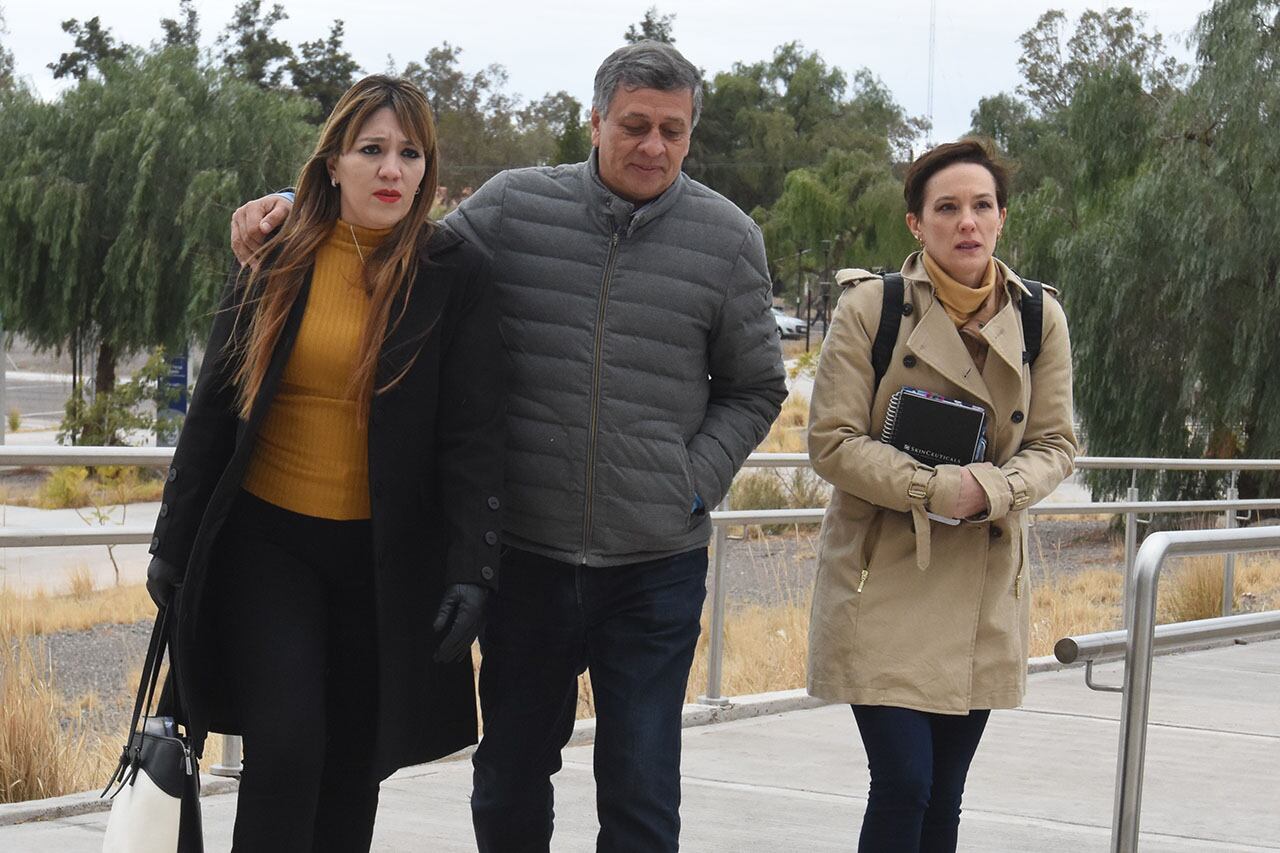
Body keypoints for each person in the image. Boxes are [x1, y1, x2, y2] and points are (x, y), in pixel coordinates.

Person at [231, 40, 786, 853]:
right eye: (634, 125)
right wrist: (291, 201)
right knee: (511, 775)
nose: (653, 146)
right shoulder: (513, 206)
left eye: (673, 131)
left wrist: (692, 482)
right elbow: (397, 230)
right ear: (595, 121)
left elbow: (756, 386)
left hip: (655, 568)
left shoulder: (728, 239)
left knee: (640, 783)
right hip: (527, 560)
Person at [146, 75, 504, 852]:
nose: (391, 170)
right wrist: (171, 541)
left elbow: (472, 437)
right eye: (371, 150)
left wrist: (472, 569)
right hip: (267, 547)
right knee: (287, 747)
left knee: (354, 761)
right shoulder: (277, 250)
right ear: (333, 163)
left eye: (410, 153)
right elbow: (214, 405)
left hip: (383, 563)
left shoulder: (455, 272)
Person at [805, 139, 1078, 852]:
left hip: (983, 583)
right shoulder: (873, 307)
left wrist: (991, 488)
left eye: (981, 206)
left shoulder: (1038, 317)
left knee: (943, 797)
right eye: (947, 207)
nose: (967, 222)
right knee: (904, 782)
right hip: (883, 579)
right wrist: (932, 487)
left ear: (1002, 218)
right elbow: (830, 441)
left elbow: (1056, 444)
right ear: (916, 224)